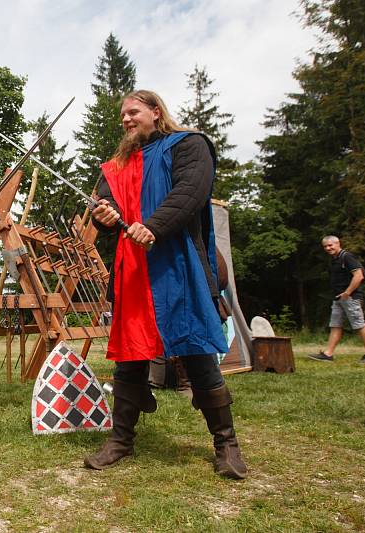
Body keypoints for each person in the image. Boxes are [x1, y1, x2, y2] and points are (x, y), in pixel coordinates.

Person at [85, 90, 247, 480]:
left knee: (196, 355)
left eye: (133, 111)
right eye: (122, 114)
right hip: (133, 272)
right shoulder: (117, 166)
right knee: (130, 358)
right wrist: (106, 216)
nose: (125, 119)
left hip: (178, 266)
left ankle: (226, 444)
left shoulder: (189, 145)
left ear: (156, 112)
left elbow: (189, 194)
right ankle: (121, 440)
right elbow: (101, 215)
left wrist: (152, 227)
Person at [308, 236, 365, 363]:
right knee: (335, 325)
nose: (328, 248)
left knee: (359, 325)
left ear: (338, 243)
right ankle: (328, 354)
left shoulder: (347, 257)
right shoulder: (335, 259)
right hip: (338, 298)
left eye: (330, 245)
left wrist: (347, 292)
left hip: (350, 297)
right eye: (325, 246)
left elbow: (359, 276)